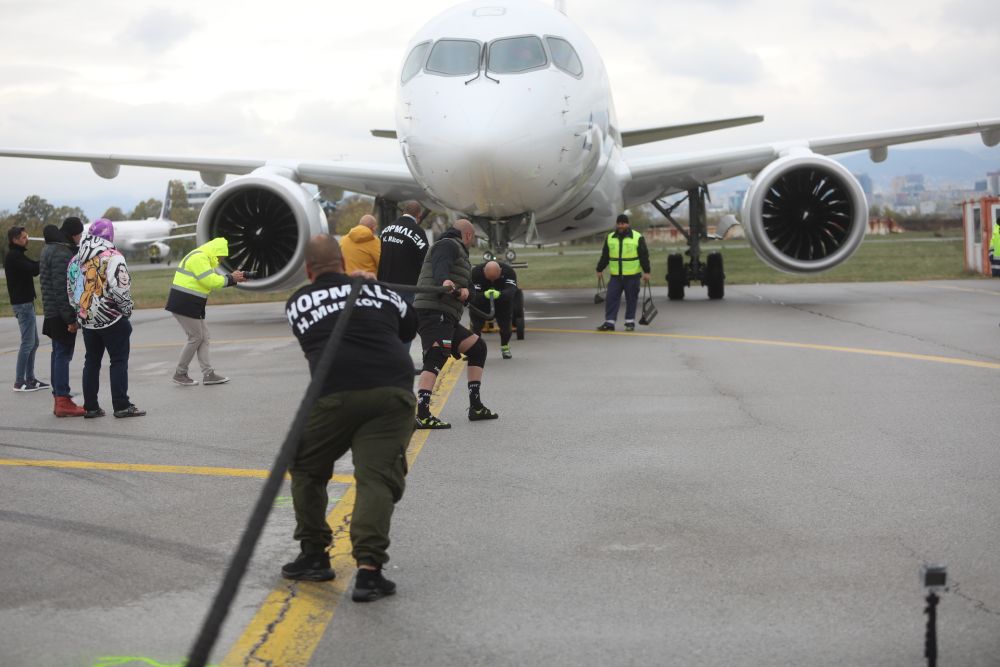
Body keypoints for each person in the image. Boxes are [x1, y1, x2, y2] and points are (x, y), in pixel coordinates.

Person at [282, 234, 416, 603]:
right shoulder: (382, 293)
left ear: (308, 269)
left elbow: (313, 334)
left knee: (307, 469)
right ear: (343, 262)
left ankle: (314, 555)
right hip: (393, 390)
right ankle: (370, 572)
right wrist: (374, 288)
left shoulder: (297, 302)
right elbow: (408, 328)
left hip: (334, 394)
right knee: (375, 479)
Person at [413, 218, 499, 428]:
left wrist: (468, 293)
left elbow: (471, 291)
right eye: (473, 238)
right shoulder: (447, 244)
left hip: (447, 315)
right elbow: (441, 267)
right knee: (436, 356)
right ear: (468, 235)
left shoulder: (462, 256)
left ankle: (476, 406)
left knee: (478, 348)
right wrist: (445, 282)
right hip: (433, 310)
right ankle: (422, 414)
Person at [69, 218, 145, 418]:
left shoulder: (75, 259)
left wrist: (80, 313)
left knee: (91, 362)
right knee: (118, 361)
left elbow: (71, 290)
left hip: (88, 320)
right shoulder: (113, 256)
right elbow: (121, 287)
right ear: (109, 236)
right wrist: (126, 309)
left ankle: (91, 407)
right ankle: (121, 405)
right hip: (112, 319)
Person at [164, 238, 246, 386]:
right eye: (221, 257)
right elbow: (210, 281)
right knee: (196, 337)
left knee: (204, 336)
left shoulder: (203, 259)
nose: (221, 261)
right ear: (215, 253)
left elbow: (211, 281)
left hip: (192, 303)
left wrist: (233, 279)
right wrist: (231, 278)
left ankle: (208, 374)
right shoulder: (199, 257)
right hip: (185, 303)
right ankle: (180, 373)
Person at [39, 218, 85, 416]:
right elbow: (62, 289)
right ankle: (62, 400)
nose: (80, 238)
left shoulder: (51, 247)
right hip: (60, 313)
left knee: (58, 353)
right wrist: (70, 319)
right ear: (72, 233)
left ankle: (59, 395)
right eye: (79, 234)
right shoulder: (61, 252)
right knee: (63, 355)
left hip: (52, 311)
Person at [5, 225, 49, 392]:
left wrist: (45, 255)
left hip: (26, 303)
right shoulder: (13, 257)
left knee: (34, 343)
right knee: (27, 343)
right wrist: (47, 254)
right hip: (22, 305)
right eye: (23, 237)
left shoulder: (19, 255)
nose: (27, 239)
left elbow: (34, 266)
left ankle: (30, 379)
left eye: (26, 236)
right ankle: (19, 381)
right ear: (15, 240)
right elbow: (33, 269)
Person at [595, 213, 651, 332]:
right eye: (619, 223)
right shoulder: (610, 238)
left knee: (631, 299)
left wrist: (647, 271)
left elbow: (644, 255)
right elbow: (605, 255)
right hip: (616, 276)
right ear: (616, 224)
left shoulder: (637, 237)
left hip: (632, 276)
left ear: (628, 224)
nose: (621, 226)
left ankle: (629, 323)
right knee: (611, 298)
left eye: (623, 223)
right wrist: (599, 269)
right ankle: (609, 322)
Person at [377, 200, 429, 304]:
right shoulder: (417, 231)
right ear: (418, 215)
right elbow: (427, 257)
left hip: (385, 283)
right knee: (405, 317)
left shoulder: (387, 229)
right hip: (406, 285)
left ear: (403, 212)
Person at [469, 260, 519, 360]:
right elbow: (471, 295)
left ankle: (505, 347)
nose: (492, 281)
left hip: (502, 302)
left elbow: (512, 291)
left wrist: (500, 294)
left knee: (506, 328)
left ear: (500, 271)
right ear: (484, 271)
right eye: (489, 279)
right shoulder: (475, 273)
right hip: (481, 303)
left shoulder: (509, 272)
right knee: (476, 327)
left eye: (494, 279)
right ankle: (474, 350)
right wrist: (484, 295)